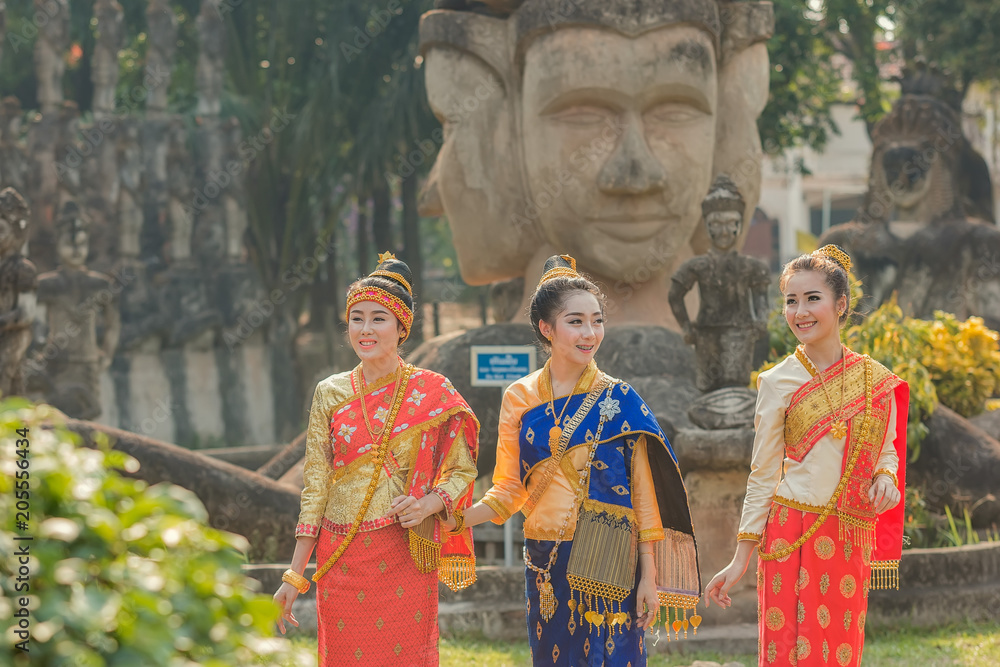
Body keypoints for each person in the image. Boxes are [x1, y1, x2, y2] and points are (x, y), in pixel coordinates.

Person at [443, 255, 701, 666]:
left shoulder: (620, 400)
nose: (590, 333)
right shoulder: (519, 398)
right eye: (576, 321)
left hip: (611, 553)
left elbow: (643, 495)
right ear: (547, 328)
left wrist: (650, 576)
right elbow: (508, 489)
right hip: (545, 561)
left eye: (597, 320)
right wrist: (450, 518)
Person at [705, 245, 909, 667]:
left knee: (838, 651)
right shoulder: (776, 382)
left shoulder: (873, 379)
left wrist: (886, 479)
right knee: (788, 652)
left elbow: (886, 450)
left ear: (841, 305)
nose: (800, 311)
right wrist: (740, 557)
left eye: (812, 298)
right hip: (790, 534)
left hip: (846, 536)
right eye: (791, 301)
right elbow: (762, 475)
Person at [272, 252, 479, 666]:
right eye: (357, 318)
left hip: (403, 550)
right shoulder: (329, 393)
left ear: (402, 328)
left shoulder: (431, 391)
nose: (365, 329)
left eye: (378, 318)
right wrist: (295, 574)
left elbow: (462, 469)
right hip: (340, 554)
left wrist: (428, 503)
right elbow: (315, 486)